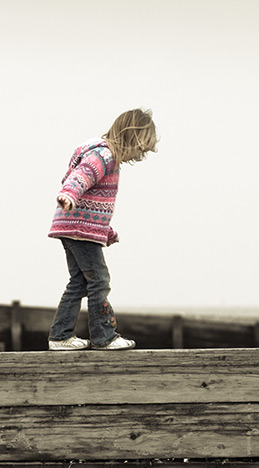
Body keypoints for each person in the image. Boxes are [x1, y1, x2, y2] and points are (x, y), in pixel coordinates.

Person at [47, 108, 158, 351]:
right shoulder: (105, 155)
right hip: (77, 228)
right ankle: (104, 336)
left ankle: (60, 336)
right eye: (139, 149)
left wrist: (105, 231)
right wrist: (68, 194)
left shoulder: (106, 156)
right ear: (131, 136)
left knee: (79, 282)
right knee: (99, 280)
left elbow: (95, 203)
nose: (138, 156)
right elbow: (81, 176)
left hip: (73, 225)